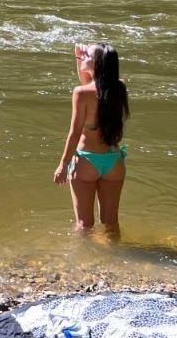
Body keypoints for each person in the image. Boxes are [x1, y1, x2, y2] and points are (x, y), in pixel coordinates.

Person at [53, 42, 130, 231]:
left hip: (87, 161)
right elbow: (91, 84)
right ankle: (117, 257)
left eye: (87, 56)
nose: (83, 57)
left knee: (84, 225)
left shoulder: (81, 93)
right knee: (111, 223)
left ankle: (86, 261)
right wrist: (80, 58)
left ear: (97, 64)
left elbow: (75, 132)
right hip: (114, 161)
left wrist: (63, 165)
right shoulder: (119, 88)